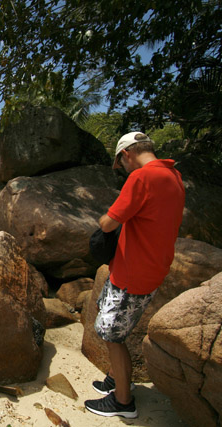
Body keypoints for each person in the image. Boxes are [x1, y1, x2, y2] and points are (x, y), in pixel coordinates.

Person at [84, 132, 185, 419]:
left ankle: (123, 401)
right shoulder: (173, 176)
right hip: (151, 267)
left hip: (133, 272)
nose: (122, 170)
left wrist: (103, 220)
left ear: (127, 154)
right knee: (116, 324)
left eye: (120, 164)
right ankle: (117, 379)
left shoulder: (142, 178)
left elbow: (108, 222)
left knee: (111, 334)